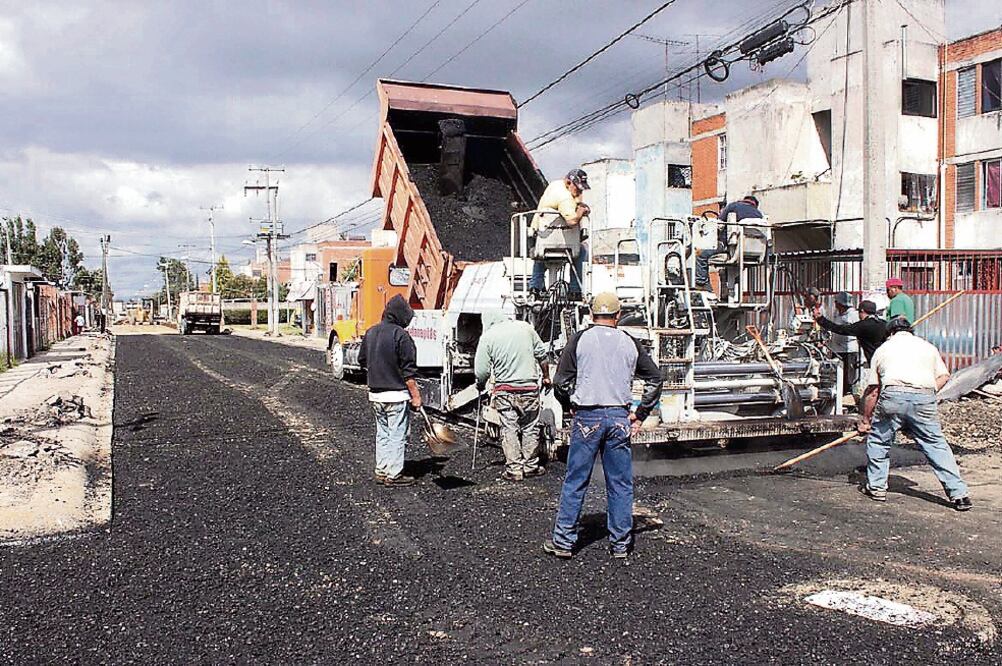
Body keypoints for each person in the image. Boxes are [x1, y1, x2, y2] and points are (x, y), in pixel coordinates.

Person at [543, 292, 664, 559]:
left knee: (576, 481)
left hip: (587, 417)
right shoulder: (630, 342)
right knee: (620, 483)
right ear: (618, 315)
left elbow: (560, 382)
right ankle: (620, 544)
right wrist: (641, 413)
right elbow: (655, 377)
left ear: (590, 314)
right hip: (619, 418)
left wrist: (570, 405)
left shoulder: (579, 340)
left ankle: (563, 542)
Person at [858, 316, 972, 511]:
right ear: (910, 331)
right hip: (924, 396)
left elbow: (874, 390)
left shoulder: (883, 349)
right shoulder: (928, 347)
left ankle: (877, 487)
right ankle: (959, 495)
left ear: (890, 333)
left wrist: (866, 420)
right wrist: (926, 393)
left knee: (879, 440)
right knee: (936, 445)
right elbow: (944, 376)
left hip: (892, 396)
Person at [474, 311, 551, 481]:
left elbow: (482, 371)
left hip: (505, 390)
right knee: (530, 426)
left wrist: (480, 384)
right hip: (529, 388)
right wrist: (546, 376)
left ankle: (514, 469)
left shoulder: (488, 337)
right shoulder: (526, 328)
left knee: (509, 428)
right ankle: (530, 466)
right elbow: (542, 355)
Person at [358, 295, 422, 487]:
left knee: (383, 432)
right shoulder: (401, 336)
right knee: (397, 434)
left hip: (375, 394)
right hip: (396, 395)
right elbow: (408, 373)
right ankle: (394, 475)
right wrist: (416, 397)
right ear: (401, 316)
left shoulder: (370, 332)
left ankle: (382, 469)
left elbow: (362, 361)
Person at [529, 169, 591, 300]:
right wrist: (580, 211)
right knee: (582, 251)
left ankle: (535, 287)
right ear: (569, 182)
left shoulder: (555, 185)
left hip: (539, 233)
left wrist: (577, 199)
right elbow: (572, 221)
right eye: (578, 188)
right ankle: (575, 290)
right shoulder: (565, 198)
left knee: (541, 251)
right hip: (561, 244)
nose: (580, 192)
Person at [694, 195, 764, 289]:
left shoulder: (733, 206)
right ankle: (728, 289)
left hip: (729, 247)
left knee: (700, 254)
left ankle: (701, 283)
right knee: (727, 269)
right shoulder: (760, 215)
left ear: (743, 201)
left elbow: (719, 225)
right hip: (752, 253)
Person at [815, 299, 887, 365]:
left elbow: (841, 329)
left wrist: (821, 319)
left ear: (862, 311)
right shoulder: (883, 323)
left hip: (874, 360)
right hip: (886, 358)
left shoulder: (863, 325)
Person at [827, 292, 860, 395]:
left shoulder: (853, 315)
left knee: (848, 376)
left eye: (837, 302)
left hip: (849, 350)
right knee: (835, 373)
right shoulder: (836, 314)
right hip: (836, 349)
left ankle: (848, 393)